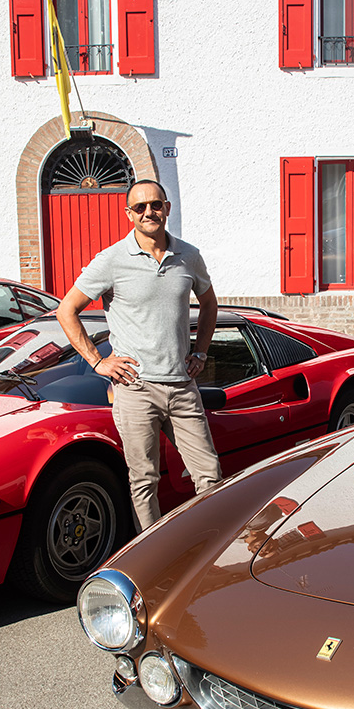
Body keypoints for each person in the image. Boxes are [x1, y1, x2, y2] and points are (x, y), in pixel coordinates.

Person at [56, 179, 222, 531]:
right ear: (129, 213)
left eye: (156, 205)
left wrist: (201, 352)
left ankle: (210, 548)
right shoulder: (111, 260)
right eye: (141, 207)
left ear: (167, 208)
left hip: (182, 386)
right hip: (136, 389)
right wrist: (98, 361)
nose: (149, 212)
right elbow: (66, 310)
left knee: (210, 475)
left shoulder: (189, 256)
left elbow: (209, 304)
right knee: (144, 480)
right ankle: (151, 553)